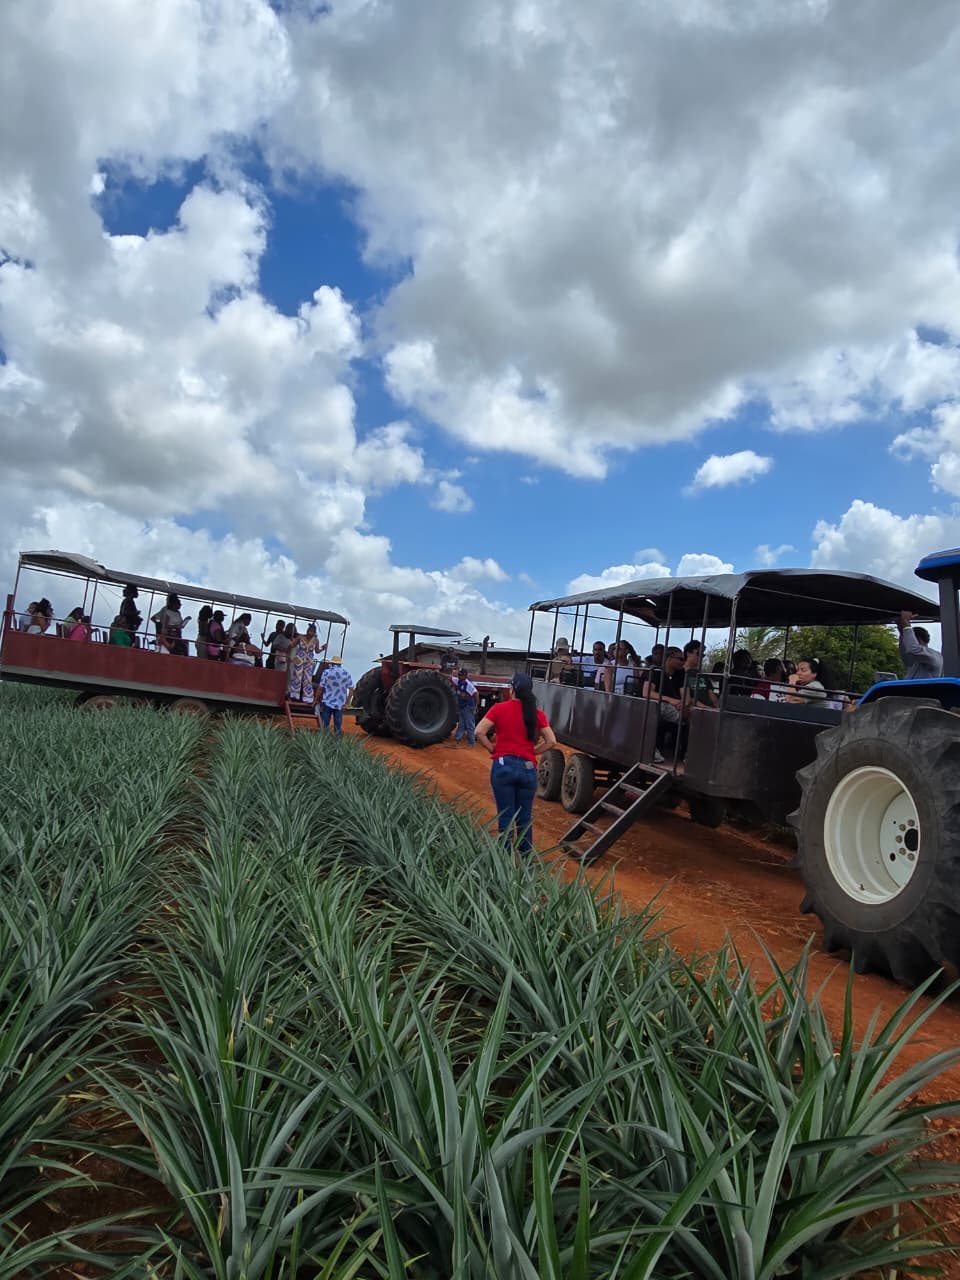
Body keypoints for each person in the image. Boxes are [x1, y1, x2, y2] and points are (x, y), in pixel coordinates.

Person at [475, 672, 557, 856]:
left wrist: (492, 749)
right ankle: (525, 861)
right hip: (527, 768)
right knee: (524, 818)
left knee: (505, 816)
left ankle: (504, 862)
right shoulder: (536, 714)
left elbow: (479, 731)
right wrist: (533, 752)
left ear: (512, 690)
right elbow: (552, 741)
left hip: (503, 765)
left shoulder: (499, 709)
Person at [897, 611, 943, 680]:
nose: (907, 643)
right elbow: (905, 650)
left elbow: (912, 649)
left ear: (917, 639)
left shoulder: (934, 655)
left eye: (909, 639)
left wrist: (906, 624)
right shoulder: (915, 660)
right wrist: (902, 631)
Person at [315, 655, 354, 735]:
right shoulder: (346, 673)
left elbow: (320, 688)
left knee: (325, 723)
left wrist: (316, 699)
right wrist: (347, 702)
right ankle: (337, 742)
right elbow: (351, 689)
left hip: (327, 701)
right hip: (340, 703)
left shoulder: (326, 672)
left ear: (332, 663)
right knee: (338, 724)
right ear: (340, 664)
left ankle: (323, 741)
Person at [287, 625, 325, 702]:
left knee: (307, 678)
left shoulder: (315, 640)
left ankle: (307, 697)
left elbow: (317, 651)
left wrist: (323, 649)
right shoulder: (300, 638)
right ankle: (294, 695)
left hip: (309, 661)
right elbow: (292, 645)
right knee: (297, 676)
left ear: (314, 633)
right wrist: (290, 656)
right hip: (299, 659)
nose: (309, 633)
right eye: (309, 631)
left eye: (311, 632)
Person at [452, 666, 479, 745]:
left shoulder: (468, 684)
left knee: (470, 725)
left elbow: (476, 693)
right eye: (459, 674)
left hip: (468, 706)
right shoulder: (458, 681)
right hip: (462, 706)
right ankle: (457, 740)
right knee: (461, 724)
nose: (459, 676)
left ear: (465, 676)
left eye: (461, 675)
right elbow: (451, 678)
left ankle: (472, 743)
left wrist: (476, 706)